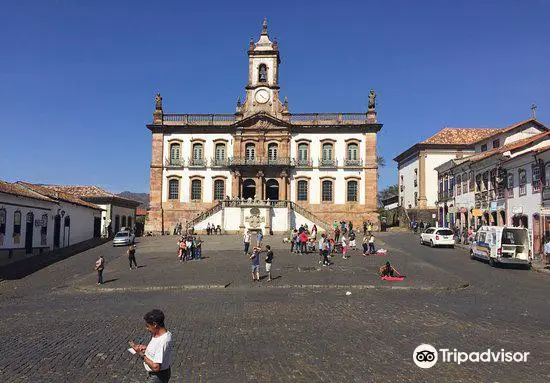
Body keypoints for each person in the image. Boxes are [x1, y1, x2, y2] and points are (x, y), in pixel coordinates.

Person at [130, 309, 173, 383]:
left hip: (157, 376)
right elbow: (160, 351)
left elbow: (156, 367)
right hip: (161, 374)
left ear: (155, 324)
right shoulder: (164, 334)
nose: (147, 329)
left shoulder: (162, 341)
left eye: (148, 326)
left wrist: (141, 354)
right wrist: (147, 348)